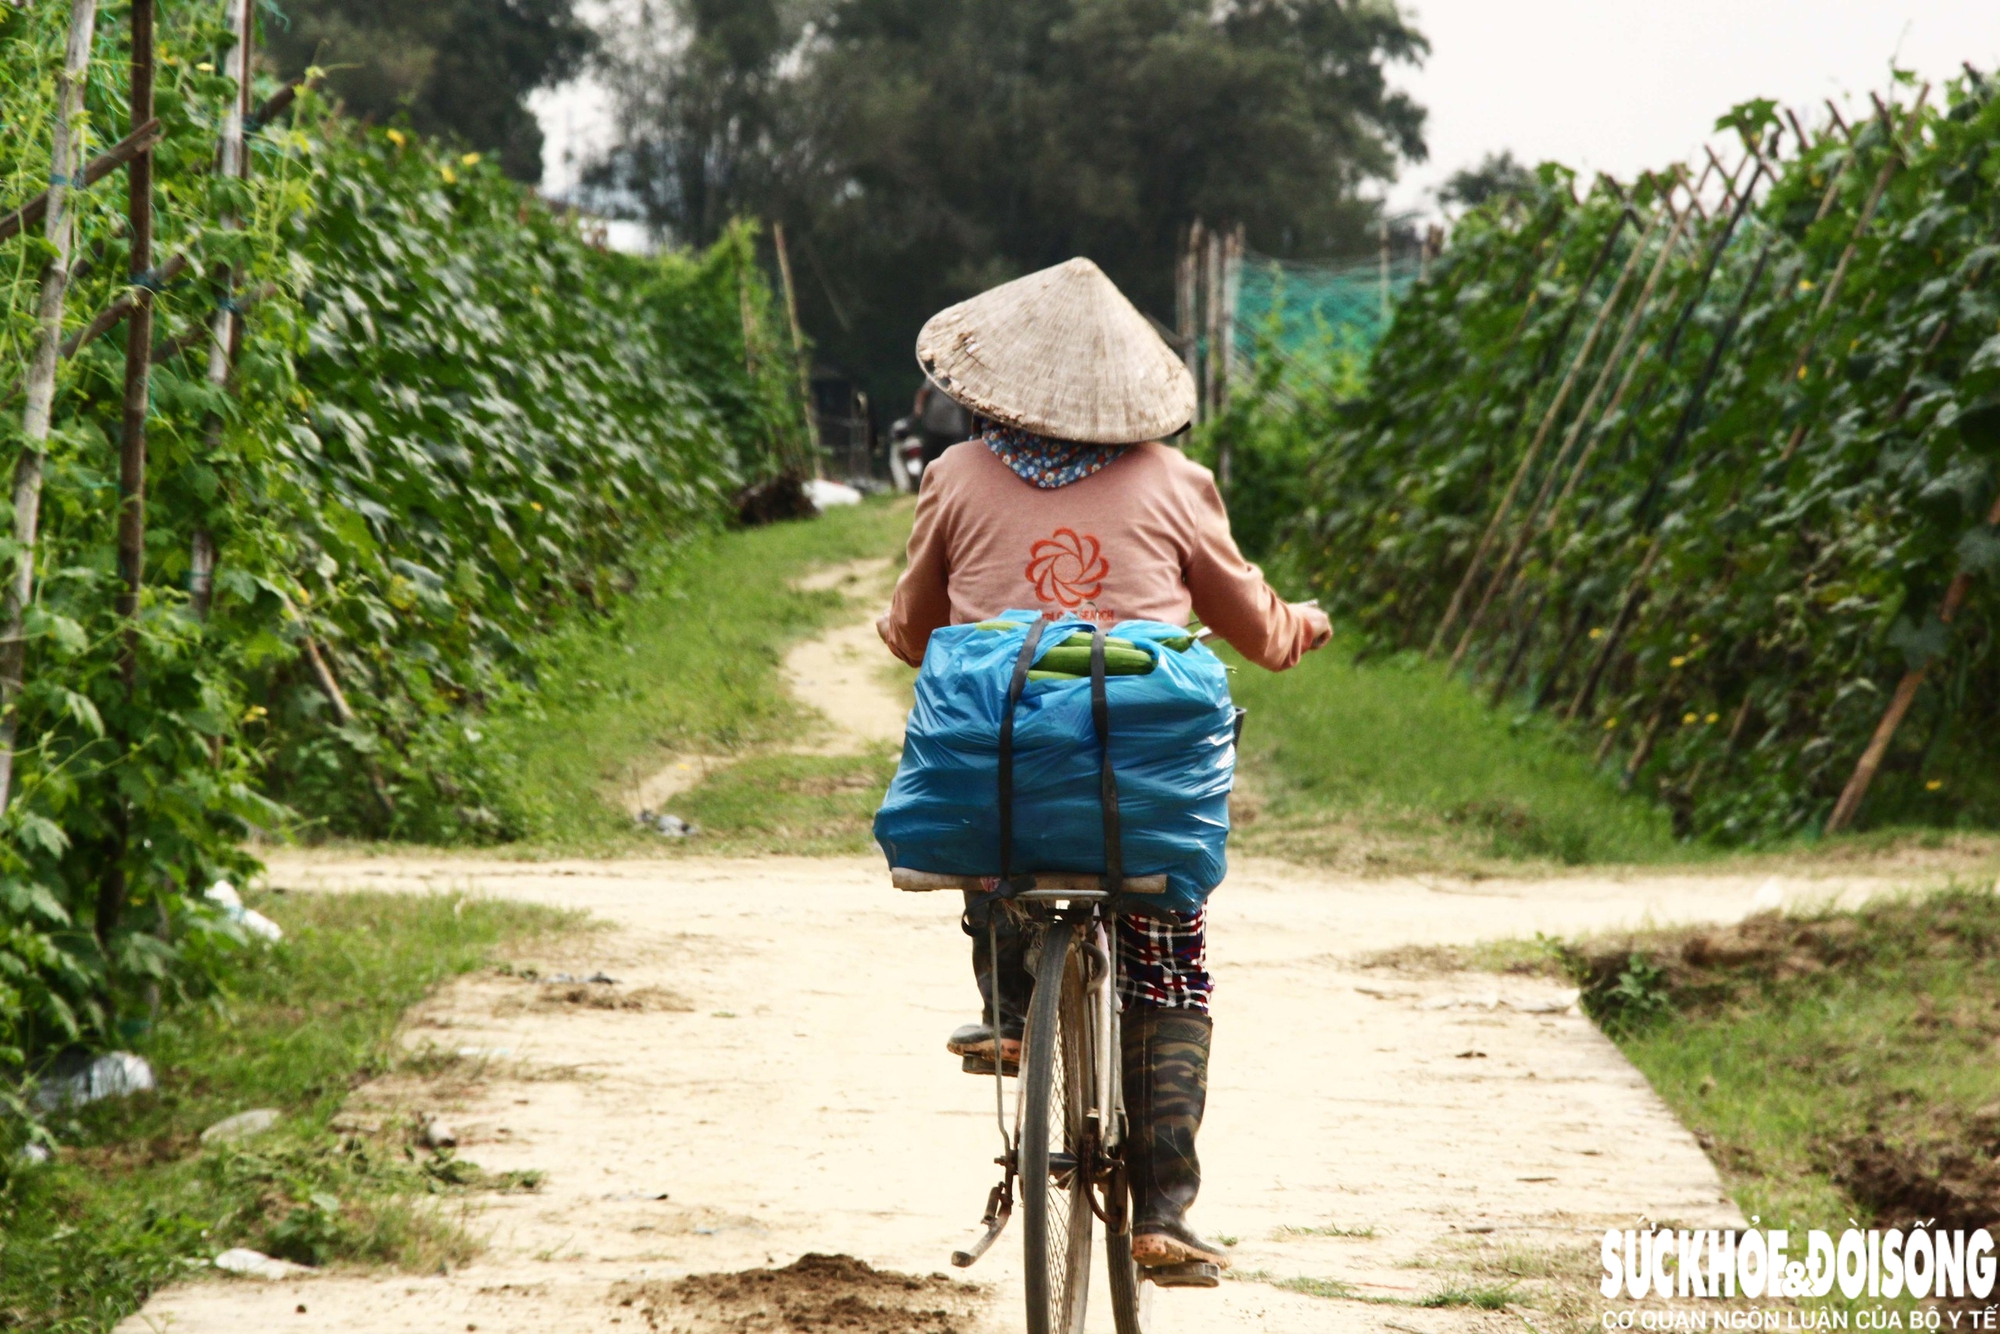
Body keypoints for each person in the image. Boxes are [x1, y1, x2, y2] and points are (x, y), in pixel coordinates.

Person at [875, 257, 1331, 1275]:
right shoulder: (1176, 483)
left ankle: (1006, 1005)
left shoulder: (952, 477)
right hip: (1141, 798)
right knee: (1166, 951)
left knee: (995, 803)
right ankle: (1163, 1203)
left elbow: (911, 634)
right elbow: (1254, 629)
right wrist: (1302, 624)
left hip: (1009, 794)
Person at [911, 373, 973, 466]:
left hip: (952, 430)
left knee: (947, 461)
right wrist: (918, 408)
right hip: (933, 427)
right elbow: (923, 393)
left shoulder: (962, 382)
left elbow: (970, 406)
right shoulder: (936, 377)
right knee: (928, 459)